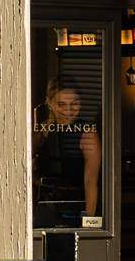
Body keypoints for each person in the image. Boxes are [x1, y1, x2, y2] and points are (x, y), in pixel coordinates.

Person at [34, 79, 101, 227]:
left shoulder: (86, 131)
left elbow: (91, 180)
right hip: (45, 205)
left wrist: (89, 222)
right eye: (61, 104)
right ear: (49, 103)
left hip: (75, 205)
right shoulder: (42, 130)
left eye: (74, 104)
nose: (68, 110)